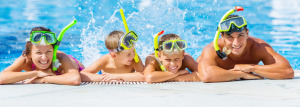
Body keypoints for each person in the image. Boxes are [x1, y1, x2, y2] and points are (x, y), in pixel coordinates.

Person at [197, 14, 294, 83]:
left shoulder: (258, 47)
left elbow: (288, 71)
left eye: (240, 35)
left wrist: (252, 67)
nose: (236, 43)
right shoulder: (212, 49)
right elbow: (206, 75)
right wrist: (241, 74)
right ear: (222, 37)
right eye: (230, 37)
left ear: (247, 34)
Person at [0, 27, 83, 85]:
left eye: (48, 51)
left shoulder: (61, 58)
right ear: (30, 53)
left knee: (84, 76)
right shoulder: (26, 59)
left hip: (77, 68)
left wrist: (43, 79)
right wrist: (37, 73)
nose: (44, 57)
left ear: (54, 51)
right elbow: (2, 78)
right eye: (38, 53)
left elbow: (75, 79)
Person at [80, 30, 144, 82]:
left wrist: (117, 77)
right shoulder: (106, 60)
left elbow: (145, 76)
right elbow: (82, 74)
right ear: (114, 55)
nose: (133, 55)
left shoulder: (134, 59)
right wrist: (105, 78)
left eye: (133, 51)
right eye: (128, 54)